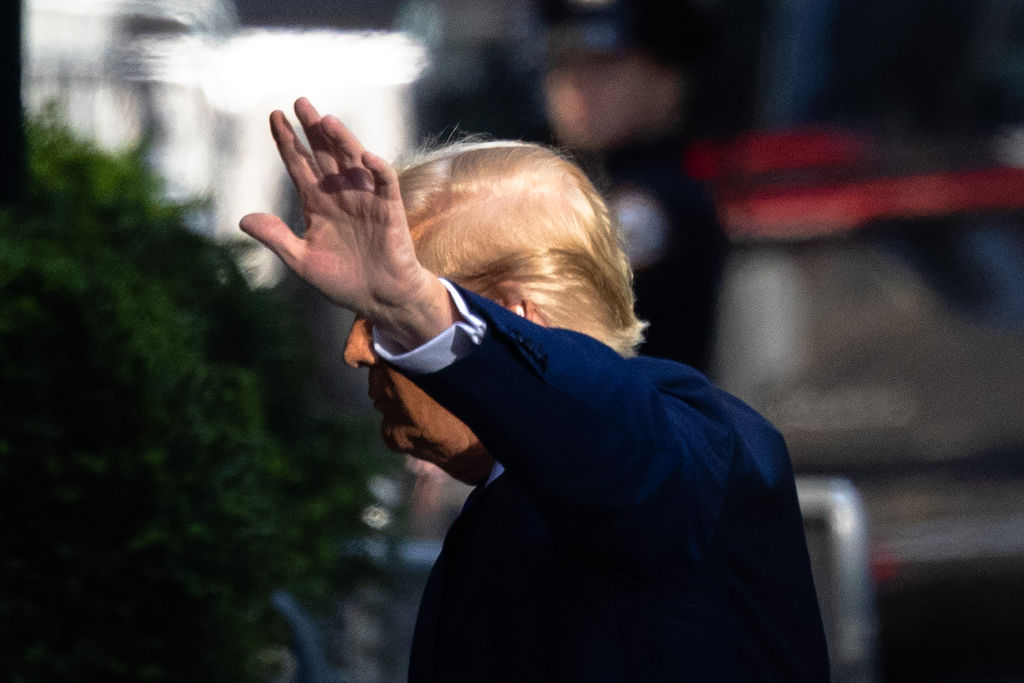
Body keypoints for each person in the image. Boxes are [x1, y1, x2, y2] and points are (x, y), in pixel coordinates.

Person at [240, 98, 829, 682]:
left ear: (516, 317)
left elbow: (620, 443)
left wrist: (425, 314)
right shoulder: (503, 499)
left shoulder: (699, 443)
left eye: (389, 323)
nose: (359, 350)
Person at [541, 0, 728, 370]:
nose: (577, 83)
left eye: (604, 64)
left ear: (666, 78)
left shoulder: (664, 199)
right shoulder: (577, 179)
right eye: (563, 64)